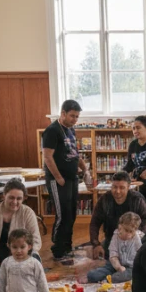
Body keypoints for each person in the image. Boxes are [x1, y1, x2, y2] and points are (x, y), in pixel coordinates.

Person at [42, 100, 90, 263]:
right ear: (63, 113)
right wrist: (58, 178)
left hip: (72, 178)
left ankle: (67, 246)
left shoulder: (71, 130)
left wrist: (85, 170)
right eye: (72, 116)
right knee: (62, 213)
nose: (74, 119)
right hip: (58, 180)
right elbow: (47, 157)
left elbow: (75, 154)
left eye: (77, 117)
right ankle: (57, 247)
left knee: (71, 212)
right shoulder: (52, 130)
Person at [0, 180, 41, 282]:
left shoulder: (28, 213)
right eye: (11, 197)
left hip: (20, 254)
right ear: (4, 196)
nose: (15, 202)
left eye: (19, 199)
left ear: (23, 199)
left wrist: (23, 256)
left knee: (33, 266)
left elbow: (36, 241)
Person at [88, 171, 146, 257]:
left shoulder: (137, 200)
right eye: (114, 187)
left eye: (122, 188)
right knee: (100, 260)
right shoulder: (104, 199)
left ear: (128, 187)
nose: (117, 191)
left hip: (133, 240)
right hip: (112, 240)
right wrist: (96, 244)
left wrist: (139, 235)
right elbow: (95, 223)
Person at [87, 212, 142, 283]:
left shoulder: (136, 238)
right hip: (114, 265)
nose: (128, 234)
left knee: (128, 274)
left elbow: (141, 254)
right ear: (120, 227)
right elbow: (113, 255)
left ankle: (109, 279)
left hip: (130, 267)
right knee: (92, 275)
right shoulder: (115, 236)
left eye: (131, 232)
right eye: (126, 230)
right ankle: (110, 277)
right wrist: (118, 267)